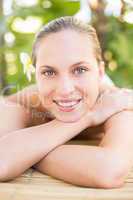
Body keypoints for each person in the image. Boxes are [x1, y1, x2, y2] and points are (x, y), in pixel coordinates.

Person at [0, 16, 133, 189]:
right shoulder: (24, 104)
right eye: (49, 72)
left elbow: (109, 171)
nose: (65, 89)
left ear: (100, 73)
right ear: (36, 76)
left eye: (80, 70)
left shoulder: (117, 104)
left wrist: (26, 153)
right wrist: (90, 116)